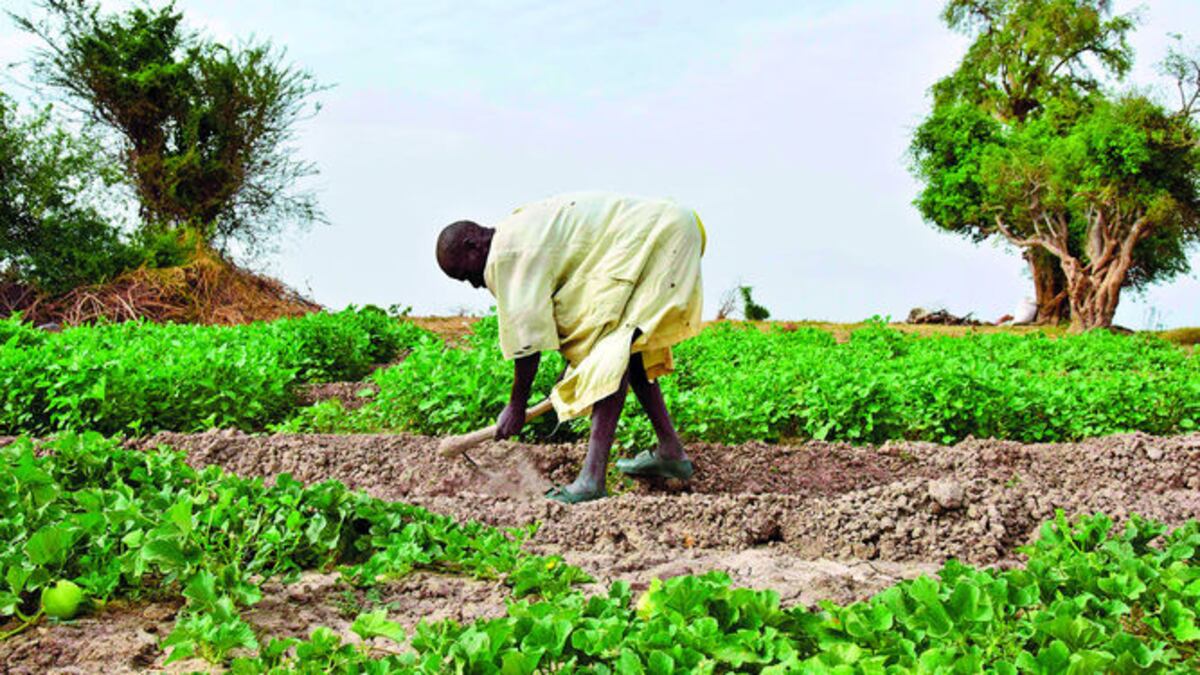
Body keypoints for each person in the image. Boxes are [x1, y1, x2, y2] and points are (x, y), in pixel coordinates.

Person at [435, 192, 706, 503]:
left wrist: (516, 406)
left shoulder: (505, 257)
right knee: (626, 349)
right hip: (665, 229)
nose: (473, 283)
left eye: (466, 274)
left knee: (609, 352)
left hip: (657, 237)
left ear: (473, 244)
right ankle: (670, 451)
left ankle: (591, 479)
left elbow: (527, 345)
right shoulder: (515, 232)